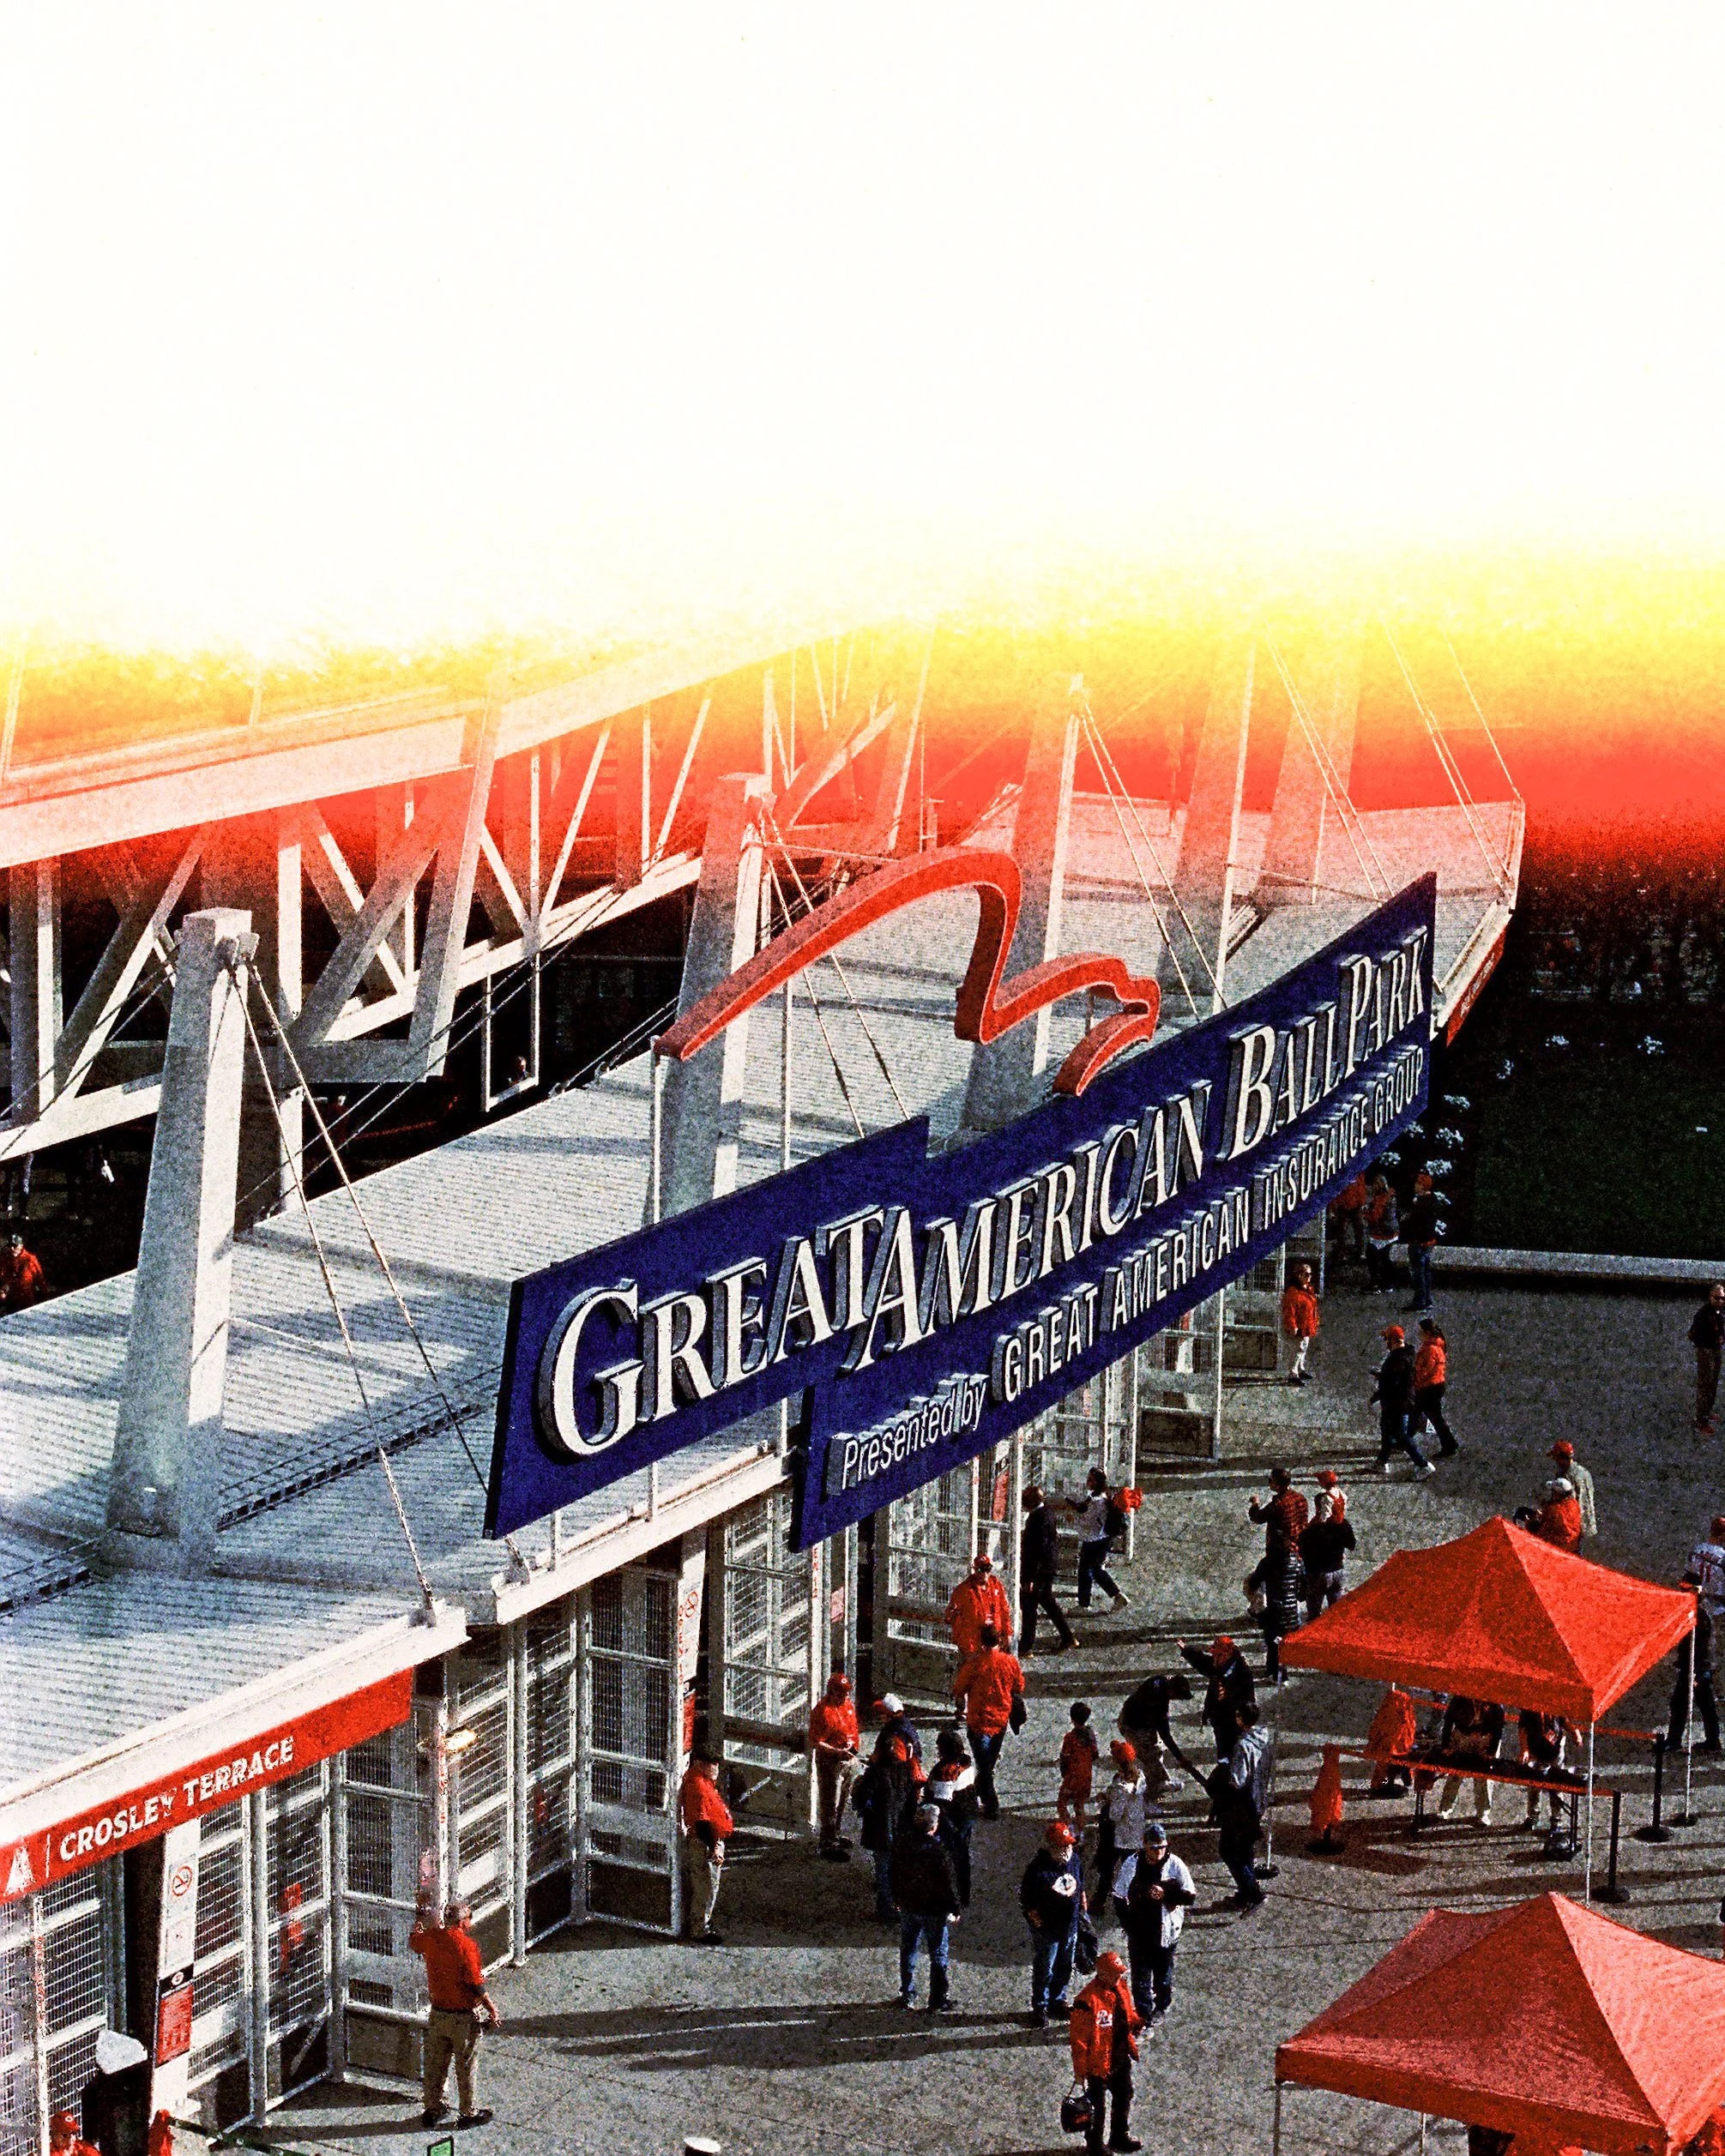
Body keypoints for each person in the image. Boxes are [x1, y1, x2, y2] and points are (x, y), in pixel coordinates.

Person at [409, 1898, 500, 2127]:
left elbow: (414, 1941)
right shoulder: (467, 1946)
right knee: (466, 2066)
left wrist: (419, 1920)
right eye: (469, 1917)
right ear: (461, 1923)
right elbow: (475, 1984)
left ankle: (432, 2108)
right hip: (462, 2018)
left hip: (438, 2014)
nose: (471, 1921)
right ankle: (467, 2114)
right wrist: (492, 2010)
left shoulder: (431, 1938)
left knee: (435, 2064)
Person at [1067, 1948, 1143, 2154]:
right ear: (1102, 1974)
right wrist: (1080, 2070)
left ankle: (1119, 2137)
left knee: (1124, 2095)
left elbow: (1127, 2013)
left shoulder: (1120, 1988)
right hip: (1098, 2063)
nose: (1119, 1977)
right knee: (1097, 2108)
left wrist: (1137, 2022)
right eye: (1115, 1973)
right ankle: (1095, 2146)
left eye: (1120, 1973)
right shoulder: (1087, 2000)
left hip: (1119, 2056)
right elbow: (1079, 2039)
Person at [889, 1803, 962, 2011]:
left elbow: (893, 1874)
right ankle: (937, 1999)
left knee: (909, 1948)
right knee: (938, 1952)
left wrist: (896, 1898)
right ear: (934, 1826)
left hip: (909, 1905)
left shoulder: (902, 1843)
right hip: (933, 1909)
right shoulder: (938, 1850)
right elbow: (948, 1884)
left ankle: (907, 1994)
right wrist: (955, 1908)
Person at [1119, 1822, 1195, 2025]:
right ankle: (1144, 2012)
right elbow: (1119, 1896)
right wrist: (1127, 1924)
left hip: (1166, 1930)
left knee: (1163, 1973)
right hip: (1140, 1930)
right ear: (1145, 1846)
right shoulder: (1132, 1864)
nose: (1159, 1852)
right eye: (1154, 1848)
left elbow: (1190, 1896)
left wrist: (1167, 1893)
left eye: (1162, 1847)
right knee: (1140, 1975)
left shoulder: (1175, 1865)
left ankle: (1162, 2005)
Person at [952, 1622, 1025, 1822]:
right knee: (987, 1764)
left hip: (979, 1721)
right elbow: (1019, 1686)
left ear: (981, 1642)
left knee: (985, 1767)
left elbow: (958, 1689)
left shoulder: (975, 1665)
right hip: (1001, 1720)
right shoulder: (1010, 1662)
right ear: (999, 1641)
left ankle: (991, 1805)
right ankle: (976, 1794)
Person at [855, 1716, 923, 1923]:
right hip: (902, 1826)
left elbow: (861, 1797)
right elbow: (914, 1797)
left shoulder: (876, 1773)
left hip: (881, 1828)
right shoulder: (905, 1771)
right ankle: (898, 1903)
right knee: (897, 1866)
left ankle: (885, 1910)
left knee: (883, 1868)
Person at [1020, 1820, 1085, 2027]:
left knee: (1065, 1966)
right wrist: (1034, 1917)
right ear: (1052, 1847)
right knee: (1045, 1968)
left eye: (1069, 1845)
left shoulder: (1074, 1860)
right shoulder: (1037, 1870)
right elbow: (1026, 1897)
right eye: (1063, 1846)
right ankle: (1040, 2006)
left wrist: (1082, 1900)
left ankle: (1058, 2000)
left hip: (1070, 1926)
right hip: (1049, 1929)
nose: (1068, 1850)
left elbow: (1080, 1881)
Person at [1211, 1702, 1270, 1908]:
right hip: (1258, 1800)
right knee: (1245, 1847)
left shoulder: (1243, 1745)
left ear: (1241, 1719)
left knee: (1228, 1849)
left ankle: (1252, 1892)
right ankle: (1247, 1889)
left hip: (1241, 1805)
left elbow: (1237, 1780)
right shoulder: (1264, 1738)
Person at [678, 1754, 734, 1942]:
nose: (716, 1767)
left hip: (708, 1840)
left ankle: (703, 1923)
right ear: (700, 1763)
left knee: (707, 1886)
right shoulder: (698, 1786)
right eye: (712, 1763)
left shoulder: (703, 1780)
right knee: (706, 1887)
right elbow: (702, 1823)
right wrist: (715, 1848)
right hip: (704, 1844)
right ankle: (699, 1929)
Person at [923, 1728, 982, 1904]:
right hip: (969, 1812)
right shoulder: (966, 1762)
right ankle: (965, 1894)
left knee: (946, 1857)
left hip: (953, 1820)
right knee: (963, 1856)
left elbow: (941, 1802)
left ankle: (945, 1894)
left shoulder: (947, 1772)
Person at [1116, 1669, 1200, 1792]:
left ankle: (1155, 1781)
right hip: (1132, 1726)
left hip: (1140, 1721)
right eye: (1178, 1696)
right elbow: (1165, 1734)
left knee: (1157, 1749)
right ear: (1172, 1691)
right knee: (1150, 1755)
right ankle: (1157, 1785)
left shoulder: (1160, 1681)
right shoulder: (1158, 1703)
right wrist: (1180, 1758)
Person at [1178, 1634, 1258, 1759]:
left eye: (1219, 1655)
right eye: (1214, 1654)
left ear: (1229, 1654)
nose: (1215, 1658)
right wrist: (1186, 1651)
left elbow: (1248, 1701)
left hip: (1235, 1722)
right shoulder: (1218, 1665)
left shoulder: (1243, 1673)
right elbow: (1203, 1662)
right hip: (1219, 1719)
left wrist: (1227, 1696)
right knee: (1222, 1751)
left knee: (1234, 1751)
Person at [809, 1672, 861, 1859]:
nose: (846, 1696)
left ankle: (836, 1834)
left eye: (847, 1692)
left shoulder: (847, 1705)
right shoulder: (822, 1711)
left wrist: (852, 1748)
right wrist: (837, 1752)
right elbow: (816, 1742)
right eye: (841, 1693)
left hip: (848, 1759)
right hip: (831, 1762)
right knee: (830, 1801)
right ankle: (827, 1841)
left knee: (842, 1800)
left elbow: (853, 1728)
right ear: (832, 1692)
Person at [1372, 1324, 1435, 1478]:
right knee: (1386, 1430)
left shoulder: (1398, 1360)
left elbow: (1393, 1384)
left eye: (1387, 1339)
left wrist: (1379, 1390)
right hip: (1396, 1403)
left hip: (1398, 1404)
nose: (1385, 1343)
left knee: (1401, 1435)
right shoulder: (1406, 1354)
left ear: (1393, 1341)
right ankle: (1381, 1462)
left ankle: (1423, 1465)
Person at [1095, 1741, 1151, 1912]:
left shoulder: (1121, 1788)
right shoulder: (1140, 1778)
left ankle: (1099, 1903)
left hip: (1118, 1836)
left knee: (1107, 1871)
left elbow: (1115, 1815)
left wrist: (1106, 1801)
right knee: (1133, 1872)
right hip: (1135, 1834)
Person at [1245, 1528, 1305, 1684]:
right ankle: (1280, 1671)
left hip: (1274, 1611)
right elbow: (1303, 1587)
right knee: (1282, 1642)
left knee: (1272, 1643)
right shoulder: (1297, 1561)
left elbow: (1253, 1582)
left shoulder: (1268, 1562)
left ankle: (1276, 1674)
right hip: (1292, 1613)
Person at [1021, 1486, 1077, 1653]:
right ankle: (1068, 1637)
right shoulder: (1046, 1513)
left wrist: (1031, 1577)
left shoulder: (1039, 1519)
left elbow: (1039, 1550)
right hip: (1047, 1568)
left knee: (1029, 1606)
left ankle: (1026, 1646)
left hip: (1039, 1571)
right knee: (1047, 1602)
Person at [1435, 1695, 1505, 1824]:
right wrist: (1446, 1745)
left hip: (1486, 1739)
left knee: (1484, 1776)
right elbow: (1448, 1721)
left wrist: (1492, 1752)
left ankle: (1482, 1813)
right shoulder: (1459, 1699)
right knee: (1455, 1772)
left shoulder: (1495, 1703)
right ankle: (1445, 1808)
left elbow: (1499, 1728)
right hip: (1463, 1736)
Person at [1671, 1583, 1722, 1755]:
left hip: (1697, 1669)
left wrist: (1696, 1673)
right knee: (1701, 1704)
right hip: (1695, 1667)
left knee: (1683, 1704)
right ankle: (1712, 1740)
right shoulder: (1696, 1611)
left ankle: (1675, 1741)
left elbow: (1703, 1648)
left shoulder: (1699, 1615)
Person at [1072, 1468, 1129, 1614]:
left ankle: (1084, 1604)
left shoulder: (1098, 1501)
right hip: (1101, 1539)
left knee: (1085, 1571)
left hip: (1094, 1540)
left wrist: (1073, 1519)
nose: (1087, 1482)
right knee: (1096, 1570)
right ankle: (1117, 1596)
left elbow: (1088, 1522)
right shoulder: (1102, 1496)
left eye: (1090, 1480)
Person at [1299, 1490, 1356, 1619]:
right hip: (1338, 1571)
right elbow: (1351, 1545)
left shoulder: (1313, 1528)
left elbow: (1302, 1550)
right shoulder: (1343, 1524)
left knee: (1314, 1613)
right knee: (1335, 1613)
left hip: (1317, 1574)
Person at [1517, 1709, 1576, 1834]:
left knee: (1556, 1786)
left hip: (1555, 1749)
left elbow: (1564, 1721)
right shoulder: (1529, 1705)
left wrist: (1575, 1732)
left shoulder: (1557, 1701)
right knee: (1533, 1786)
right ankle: (1533, 1817)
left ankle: (1556, 1821)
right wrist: (1525, 1749)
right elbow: (1522, 1728)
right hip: (1536, 1748)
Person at [945, 1551, 1012, 1657]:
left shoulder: (996, 1586)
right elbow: (950, 1616)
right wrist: (964, 1639)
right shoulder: (964, 1590)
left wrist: (1007, 1634)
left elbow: (1004, 1611)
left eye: (988, 1570)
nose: (985, 1574)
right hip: (973, 1645)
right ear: (975, 1570)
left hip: (994, 1641)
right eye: (981, 1570)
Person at [1410, 1318, 1458, 1458]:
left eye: (1420, 1331)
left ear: (1427, 1333)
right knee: (1415, 1412)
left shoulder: (1431, 1349)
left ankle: (1449, 1445)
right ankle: (1405, 1438)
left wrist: (1413, 1381)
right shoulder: (1436, 1343)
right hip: (1434, 1385)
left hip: (1429, 1388)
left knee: (1435, 1418)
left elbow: (1424, 1371)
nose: (1418, 1334)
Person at [1366, 1683, 1418, 1795]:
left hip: (1386, 1745)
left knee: (1382, 1766)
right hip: (1400, 1746)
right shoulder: (1406, 1711)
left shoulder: (1387, 1708)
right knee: (1398, 1764)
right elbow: (1411, 1728)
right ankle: (1396, 1782)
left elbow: (1376, 1726)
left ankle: (1378, 1785)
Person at [1058, 1701, 1101, 1829]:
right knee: (1079, 1805)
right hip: (1086, 1776)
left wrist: (1064, 1772)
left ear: (1072, 1719)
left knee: (1062, 1803)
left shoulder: (1070, 1737)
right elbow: (1095, 1754)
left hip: (1072, 1776)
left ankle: (1068, 1829)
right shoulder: (1090, 1735)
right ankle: (1080, 1832)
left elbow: (1064, 1756)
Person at [1402, 1170, 1440, 1312]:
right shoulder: (1434, 1200)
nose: (1415, 1186)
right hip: (1429, 1240)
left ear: (1422, 1185)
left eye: (1417, 1183)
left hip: (1419, 1241)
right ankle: (1427, 1300)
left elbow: (1415, 1221)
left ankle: (1420, 1302)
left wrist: (1408, 1217)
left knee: (1418, 1273)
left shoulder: (1422, 1203)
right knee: (1426, 1272)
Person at [1248, 1466, 1309, 1551]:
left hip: (1281, 1548)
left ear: (1277, 1486)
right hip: (1299, 1544)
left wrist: (1255, 1504)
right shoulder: (1301, 1498)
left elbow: (1257, 1517)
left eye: (1270, 1481)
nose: (1269, 1483)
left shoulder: (1278, 1504)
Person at [1692, 1284, 1725, 1436]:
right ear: (1710, 1297)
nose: (1719, 1301)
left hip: (1716, 1350)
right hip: (1706, 1351)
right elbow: (1694, 1334)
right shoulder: (1702, 1314)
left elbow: (1720, 1328)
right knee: (1705, 1385)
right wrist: (1707, 1343)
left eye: (1722, 1298)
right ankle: (1701, 1420)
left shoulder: (1718, 1313)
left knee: (1712, 1383)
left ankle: (1707, 1412)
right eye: (1716, 1298)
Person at [1281, 1260, 1320, 1385]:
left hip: (1307, 1325)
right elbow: (1290, 1312)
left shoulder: (1308, 1289)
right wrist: (1293, 1326)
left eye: (1310, 1274)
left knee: (1304, 1348)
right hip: (1300, 1326)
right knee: (1298, 1350)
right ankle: (1293, 1374)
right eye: (1306, 1274)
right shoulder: (1293, 1293)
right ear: (1300, 1276)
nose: (1309, 1277)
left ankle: (1301, 1369)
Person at [1548, 1441, 1595, 1539]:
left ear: (1562, 1458)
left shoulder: (1565, 1476)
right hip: (1587, 1523)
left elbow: (1565, 1503)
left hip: (1572, 1526)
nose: (1555, 1460)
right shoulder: (1585, 1472)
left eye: (1555, 1457)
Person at [1527, 1477, 1583, 1553]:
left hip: (1558, 1547)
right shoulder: (1574, 1504)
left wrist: (1529, 1524)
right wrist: (1544, 1516)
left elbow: (1543, 1532)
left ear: (1557, 1494)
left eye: (1553, 1491)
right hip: (1573, 1544)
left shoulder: (1554, 1509)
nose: (1551, 1493)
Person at [1364, 1172, 1400, 1292]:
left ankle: (1383, 1283)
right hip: (1382, 1233)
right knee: (1378, 1258)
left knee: (1381, 1258)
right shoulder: (1383, 1197)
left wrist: (1366, 1215)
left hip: (1385, 1233)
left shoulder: (1387, 1199)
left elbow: (1377, 1217)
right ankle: (1380, 1283)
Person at [1308, 1743, 1345, 1851]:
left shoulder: (1328, 1770)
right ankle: (1326, 1835)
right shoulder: (1332, 1771)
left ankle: (1326, 1835)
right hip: (1328, 1805)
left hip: (1326, 1805)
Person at [0, 1229, 46, 1313]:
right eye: (10, 1245)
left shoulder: (29, 1259)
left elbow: (39, 1277)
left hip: (26, 1299)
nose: (12, 1248)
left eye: (15, 1245)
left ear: (21, 1246)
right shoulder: (4, 1258)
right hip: (11, 1298)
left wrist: (44, 1294)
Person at [872, 1692, 923, 1765]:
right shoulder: (907, 1728)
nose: (880, 1716)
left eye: (881, 1713)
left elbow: (897, 1762)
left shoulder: (893, 1734)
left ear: (890, 1715)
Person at [1332, 1170, 1370, 1267]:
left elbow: (1362, 1189)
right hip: (1343, 1206)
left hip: (1356, 1206)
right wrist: (1335, 1205)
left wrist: (1362, 1203)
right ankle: (1342, 1254)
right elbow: (1337, 1190)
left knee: (1360, 1228)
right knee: (1342, 1231)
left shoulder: (1360, 1173)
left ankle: (1361, 1253)